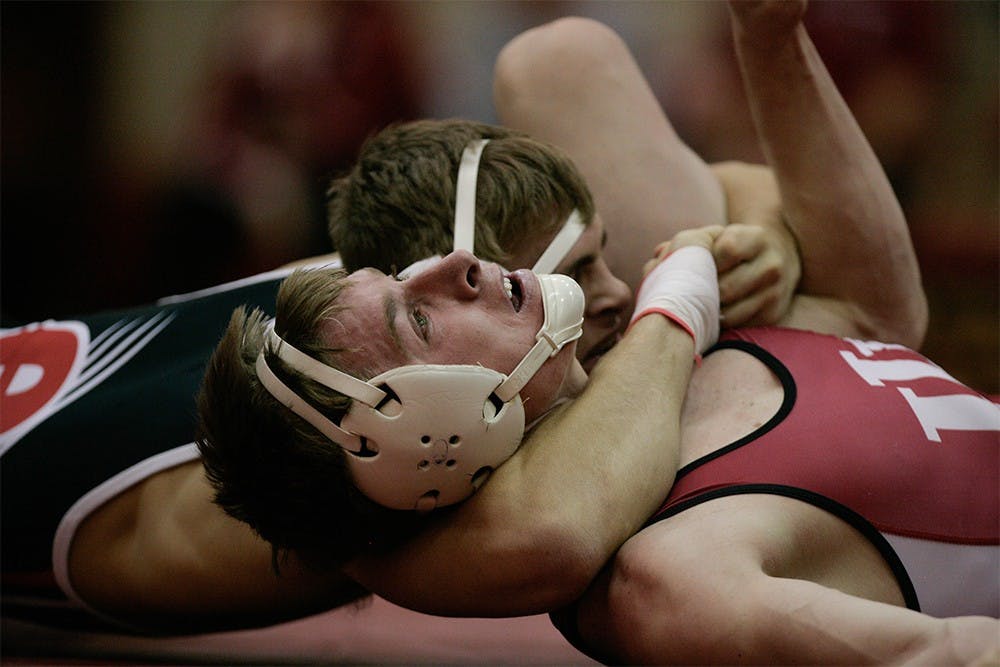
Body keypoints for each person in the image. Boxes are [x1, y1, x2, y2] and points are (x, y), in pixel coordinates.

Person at [245, 1, 996, 664]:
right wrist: (676, 309)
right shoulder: (668, 569)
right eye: (415, 311)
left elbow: (884, 309)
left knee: (555, 63)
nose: (456, 265)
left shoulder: (697, 322)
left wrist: (770, 46)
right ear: (422, 431)